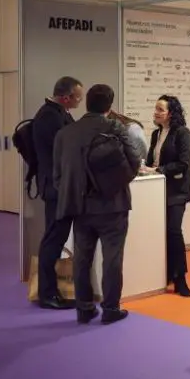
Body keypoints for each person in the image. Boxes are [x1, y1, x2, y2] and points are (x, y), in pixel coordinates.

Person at [52, 84, 141, 324]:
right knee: (112, 259)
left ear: (87, 103)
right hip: (114, 205)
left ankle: (84, 308)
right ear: (109, 106)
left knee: (82, 258)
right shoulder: (115, 128)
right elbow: (134, 162)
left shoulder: (66, 133)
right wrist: (115, 184)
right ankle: (110, 309)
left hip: (80, 207)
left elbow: (58, 176)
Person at [32, 75, 84, 310]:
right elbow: (65, 149)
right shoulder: (49, 117)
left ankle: (50, 290)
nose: (79, 101)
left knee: (56, 237)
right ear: (66, 97)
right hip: (55, 187)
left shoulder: (60, 113)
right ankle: (47, 294)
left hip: (60, 185)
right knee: (53, 238)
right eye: (78, 98)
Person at [140, 95, 190, 297]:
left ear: (171, 113)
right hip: (156, 190)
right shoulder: (156, 134)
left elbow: (183, 163)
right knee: (160, 233)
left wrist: (158, 170)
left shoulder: (182, 133)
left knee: (173, 231)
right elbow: (151, 161)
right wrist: (144, 167)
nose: (155, 112)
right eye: (155, 108)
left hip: (177, 192)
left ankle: (180, 278)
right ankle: (165, 274)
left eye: (160, 109)